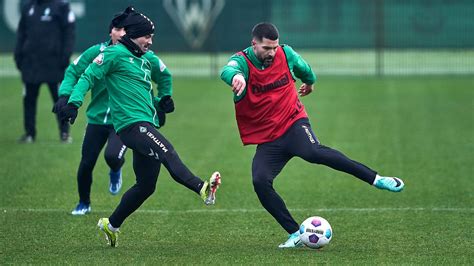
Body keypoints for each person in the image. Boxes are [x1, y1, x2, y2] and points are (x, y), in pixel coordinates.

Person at [220, 22, 405, 248]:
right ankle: (294, 233)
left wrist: (309, 83)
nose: (272, 52)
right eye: (267, 48)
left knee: (314, 152)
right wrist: (236, 78)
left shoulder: (286, 53)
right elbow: (227, 69)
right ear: (254, 44)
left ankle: (377, 179)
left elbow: (306, 70)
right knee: (260, 181)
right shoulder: (242, 61)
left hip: (293, 123)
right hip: (268, 139)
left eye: (274, 48)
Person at [59, 8, 221, 247]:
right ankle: (203, 188)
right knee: (167, 151)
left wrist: (161, 103)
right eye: (147, 36)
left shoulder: (143, 60)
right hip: (131, 126)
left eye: (152, 37)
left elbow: (141, 94)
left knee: (146, 186)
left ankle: (111, 225)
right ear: (133, 34)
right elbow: (87, 76)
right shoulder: (113, 54)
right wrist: (72, 102)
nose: (150, 41)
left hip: (145, 122)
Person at [52, 8, 136, 215]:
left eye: (126, 29)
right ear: (110, 32)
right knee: (86, 163)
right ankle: (84, 203)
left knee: (112, 157)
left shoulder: (138, 55)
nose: (122, 33)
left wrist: (161, 101)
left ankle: (115, 169)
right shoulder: (95, 52)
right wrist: (64, 96)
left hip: (122, 121)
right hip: (97, 119)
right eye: (118, 29)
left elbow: (157, 78)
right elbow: (73, 71)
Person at [14, 0, 75, 143]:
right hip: (31, 64)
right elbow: (21, 33)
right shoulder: (28, 6)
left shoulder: (61, 6)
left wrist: (65, 56)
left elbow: (69, 33)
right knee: (29, 100)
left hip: (54, 63)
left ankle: (64, 133)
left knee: (59, 99)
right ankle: (29, 134)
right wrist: (18, 55)